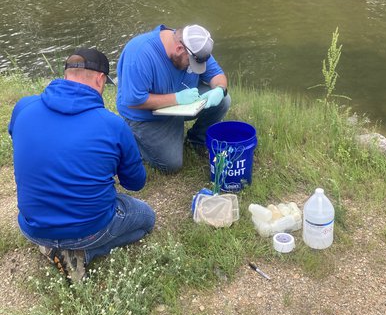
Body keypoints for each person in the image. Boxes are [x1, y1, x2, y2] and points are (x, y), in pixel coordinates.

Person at [9, 48, 155, 282]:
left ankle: (53, 247)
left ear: (66, 75)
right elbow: (136, 183)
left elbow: (18, 139)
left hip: (33, 228)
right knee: (146, 218)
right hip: (88, 230)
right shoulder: (113, 125)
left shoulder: (23, 107)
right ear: (100, 79)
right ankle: (85, 253)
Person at [116, 24, 231, 173]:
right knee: (171, 165)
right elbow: (134, 101)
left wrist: (220, 89)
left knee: (224, 100)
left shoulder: (196, 46)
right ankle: (131, 140)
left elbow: (217, 75)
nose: (193, 67)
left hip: (182, 105)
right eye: (191, 64)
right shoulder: (140, 53)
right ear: (179, 49)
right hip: (146, 116)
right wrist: (176, 99)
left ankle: (196, 141)